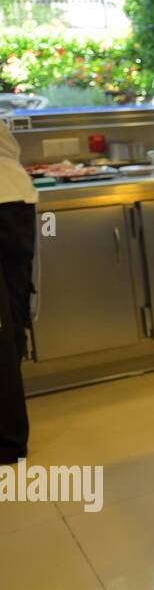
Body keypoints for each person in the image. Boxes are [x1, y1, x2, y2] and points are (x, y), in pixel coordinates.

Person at [0, 112, 36, 463]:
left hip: (7, 201)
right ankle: (11, 438)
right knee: (11, 316)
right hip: (15, 200)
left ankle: (8, 441)